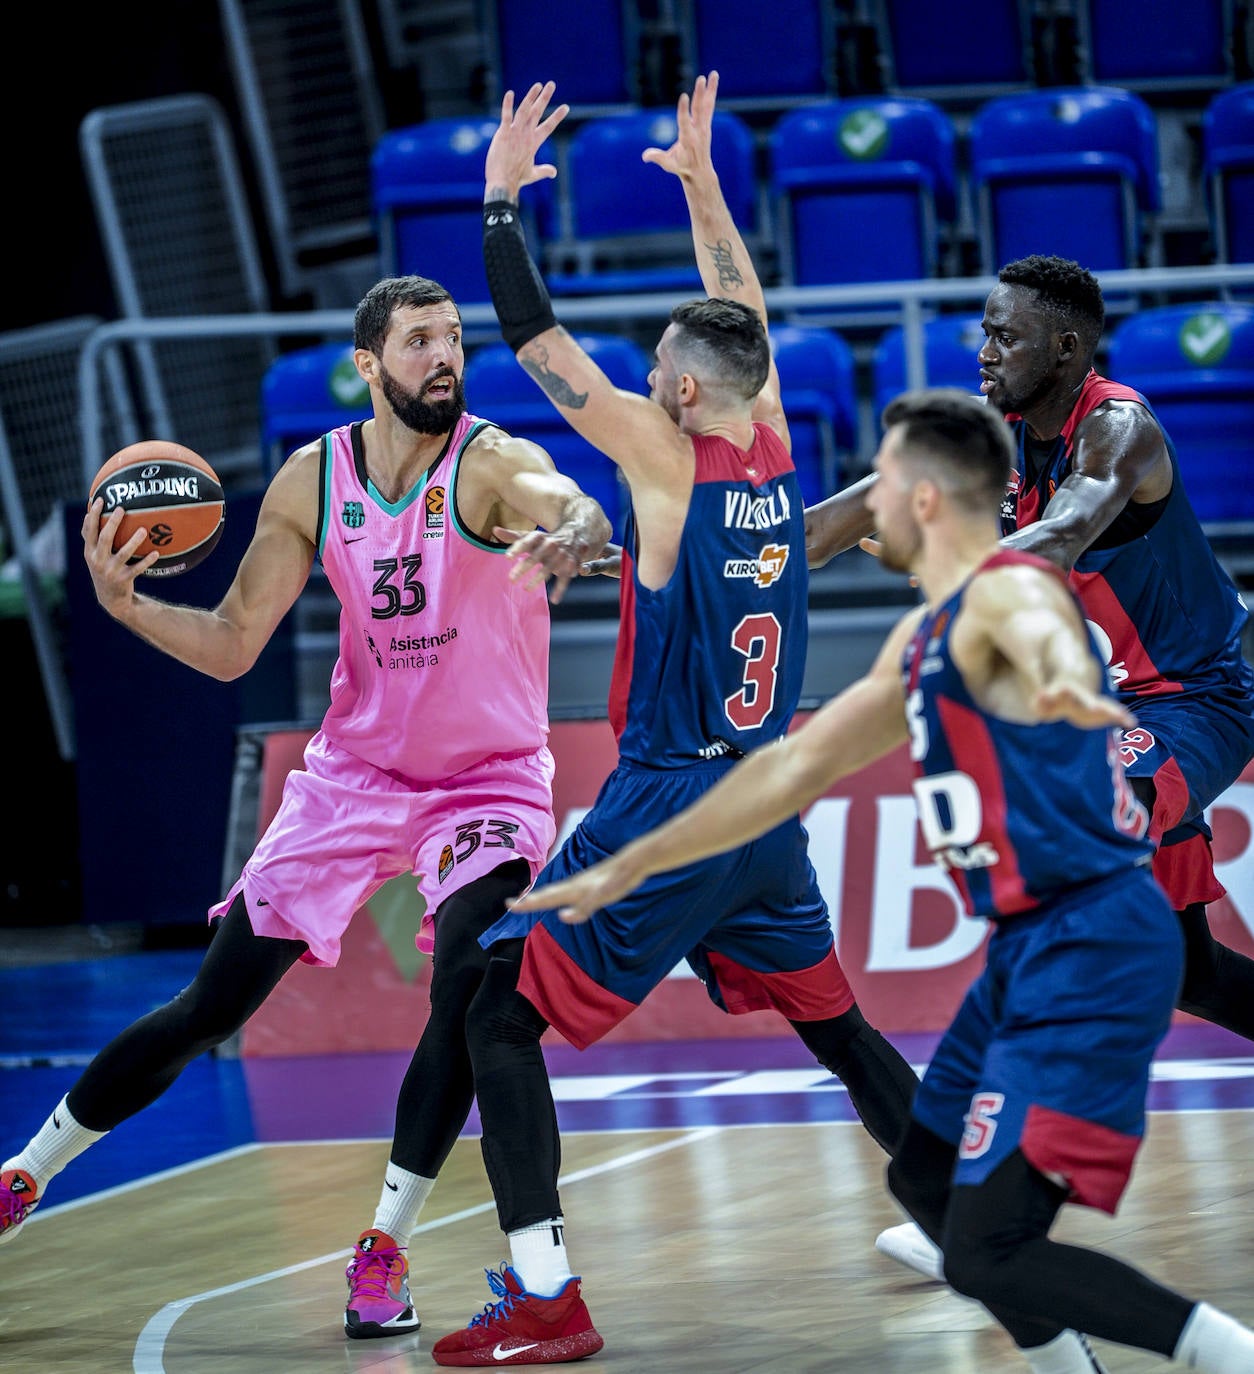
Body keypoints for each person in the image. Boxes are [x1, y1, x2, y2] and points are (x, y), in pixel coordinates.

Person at [508, 387, 1254, 1374]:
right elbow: (788, 769)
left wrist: (1070, 696)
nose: (866, 505)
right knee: (924, 1181)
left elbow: (1039, 634)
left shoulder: (1008, 601)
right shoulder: (923, 642)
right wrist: (631, 864)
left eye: (885, 482)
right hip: (1029, 956)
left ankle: (1224, 1355)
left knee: (990, 1249)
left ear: (930, 501)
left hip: (1090, 953)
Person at [0, 275, 612, 1344]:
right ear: (369, 365)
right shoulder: (311, 479)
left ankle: (382, 1244)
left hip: (486, 780)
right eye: (420, 341)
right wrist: (128, 606)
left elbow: (564, 496)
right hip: (355, 778)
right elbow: (237, 641)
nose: (445, 356)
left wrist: (574, 526)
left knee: (471, 983)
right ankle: (24, 1174)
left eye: (455, 338)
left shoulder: (489, 460)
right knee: (214, 1005)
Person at [425, 74, 921, 1367]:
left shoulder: (666, 451)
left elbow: (537, 347)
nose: (646, 383)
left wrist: (494, 204)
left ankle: (547, 1297)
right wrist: (703, 186)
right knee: (841, 1030)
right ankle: (968, 1211)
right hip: (769, 802)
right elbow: (738, 310)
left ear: (685, 399)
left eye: (658, 375)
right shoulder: (762, 429)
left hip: (675, 795)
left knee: (496, 1012)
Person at [836, 255, 1254, 1282]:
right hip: (1111, 713)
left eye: (1005, 337)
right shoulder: (997, 435)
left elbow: (1063, 535)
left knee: (1067, 904)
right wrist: (691, 557)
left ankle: (979, 1207)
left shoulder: (1121, 429)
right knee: (1190, 968)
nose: (983, 352)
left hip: (1191, 705)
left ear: (1066, 348)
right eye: (981, 333)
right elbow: (834, 523)